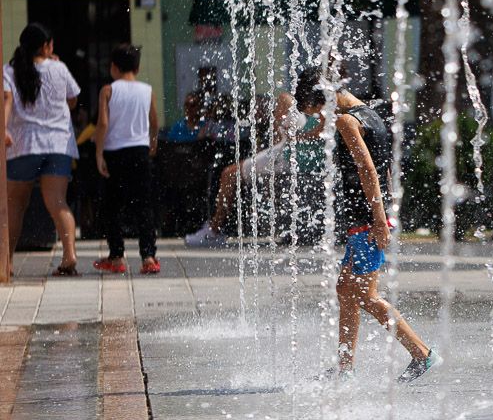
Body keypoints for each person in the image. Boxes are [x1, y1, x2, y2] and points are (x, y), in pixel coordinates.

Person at [319, 71, 439, 381]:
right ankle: (345, 367)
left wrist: (379, 220)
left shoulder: (347, 122)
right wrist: (386, 213)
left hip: (367, 223)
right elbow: (384, 170)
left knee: (366, 295)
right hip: (368, 220)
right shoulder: (371, 115)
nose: (321, 117)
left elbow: (368, 171)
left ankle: (422, 353)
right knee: (345, 289)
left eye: (317, 109)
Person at [186, 68, 326, 248]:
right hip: (294, 152)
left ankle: (213, 230)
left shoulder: (322, 102)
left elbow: (321, 130)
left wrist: (296, 138)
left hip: (293, 155)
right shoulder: (326, 100)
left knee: (229, 174)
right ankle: (215, 228)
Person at [2, 23, 81, 277]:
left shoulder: (9, 71)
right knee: (58, 202)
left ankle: (6, 262)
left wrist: (4, 130)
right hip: (58, 144)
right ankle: (69, 256)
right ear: (46, 46)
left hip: (24, 144)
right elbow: (72, 100)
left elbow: (6, 101)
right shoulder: (59, 68)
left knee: (15, 205)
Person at [93, 44, 160, 275]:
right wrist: (152, 142)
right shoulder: (147, 90)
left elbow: (103, 123)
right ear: (137, 68)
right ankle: (148, 256)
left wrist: (99, 153)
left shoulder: (108, 91)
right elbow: (154, 122)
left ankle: (116, 256)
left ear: (113, 67)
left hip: (115, 153)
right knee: (144, 205)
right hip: (139, 151)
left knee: (111, 206)